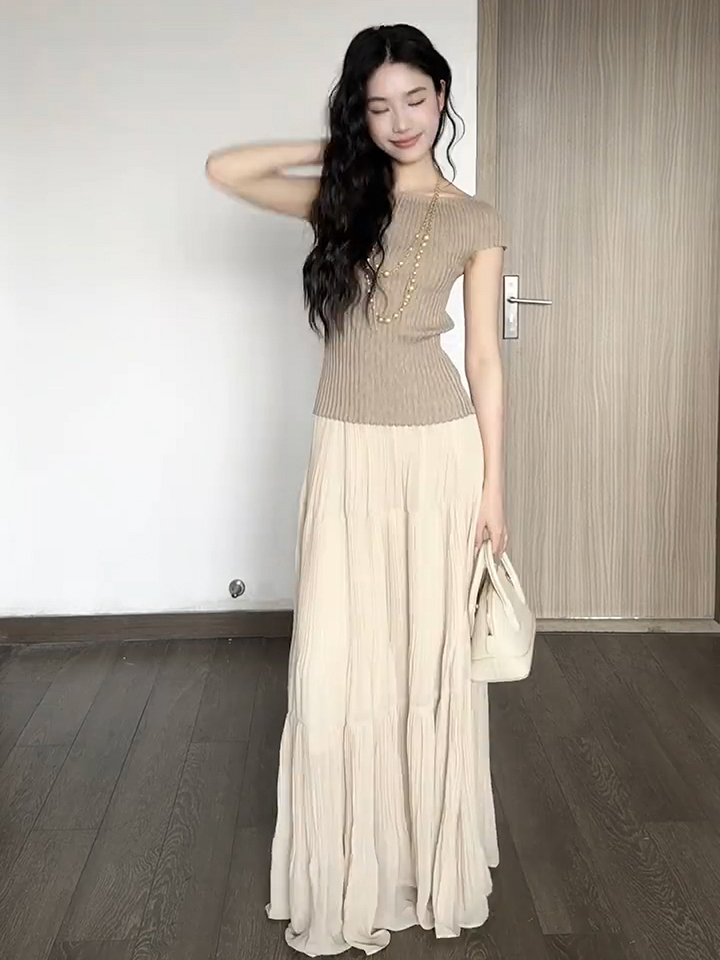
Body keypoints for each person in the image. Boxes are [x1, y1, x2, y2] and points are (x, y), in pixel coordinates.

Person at [206, 22, 509, 958]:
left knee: (424, 656)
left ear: (442, 95)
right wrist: (339, 147)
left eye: (415, 98)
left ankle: (420, 854)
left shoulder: (476, 218)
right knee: (341, 657)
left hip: (441, 451)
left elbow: (486, 361)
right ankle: (350, 861)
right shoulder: (341, 199)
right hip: (346, 446)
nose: (401, 120)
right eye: (378, 106)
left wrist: (496, 488)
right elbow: (225, 169)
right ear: (359, 115)